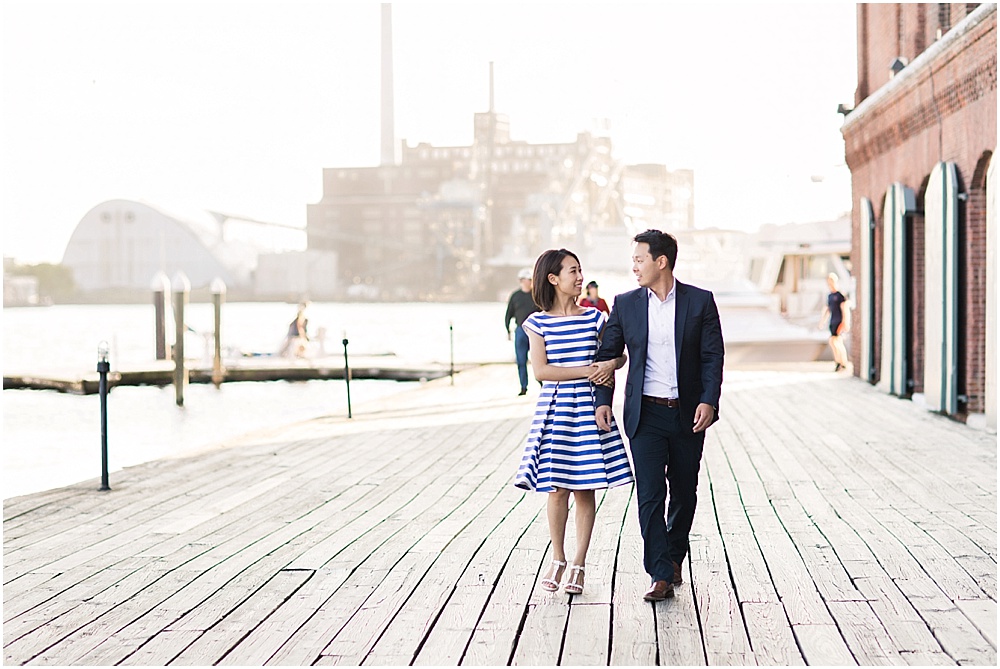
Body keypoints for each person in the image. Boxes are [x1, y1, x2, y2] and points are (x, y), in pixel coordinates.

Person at [592, 229, 724, 602]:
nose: (633, 266)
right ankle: (660, 572)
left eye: (639, 259)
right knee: (650, 493)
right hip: (645, 414)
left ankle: (674, 555)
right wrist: (603, 399)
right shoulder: (626, 303)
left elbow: (712, 357)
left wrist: (708, 400)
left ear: (660, 261)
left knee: (684, 491)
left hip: (687, 414)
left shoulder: (700, 302)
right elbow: (608, 353)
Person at [513, 249, 633, 596]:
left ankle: (579, 563)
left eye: (580, 271)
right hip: (555, 409)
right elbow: (541, 371)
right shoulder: (536, 323)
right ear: (554, 278)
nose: (580, 277)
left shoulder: (595, 318)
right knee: (556, 489)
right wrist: (588, 370)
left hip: (589, 408)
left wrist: (610, 365)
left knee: (585, 489)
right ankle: (558, 557)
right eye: (573, 271)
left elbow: (616, 354)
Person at [505, 268, 539, 395]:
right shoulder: (515, 296)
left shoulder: (535, 296)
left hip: (534, 330)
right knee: (521, 360)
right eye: (527, 280)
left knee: (538, 358)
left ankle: (542, 382)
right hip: (520, 331)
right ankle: (523, 386)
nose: (529, 282)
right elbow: (509, 314)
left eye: (530, 280)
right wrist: (507, 329)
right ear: (521, 281)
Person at [820, 273, 850, 372]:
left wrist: (845, 322)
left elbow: (844, 309)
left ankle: (842, 362)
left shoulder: (840, 295)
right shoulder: (830, 296)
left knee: (835, 341)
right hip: (832, 321)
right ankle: (840, 362)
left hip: (839, 321)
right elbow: (828, 309)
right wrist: (822, 322)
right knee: (835, 342)